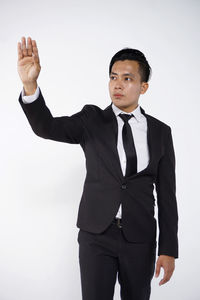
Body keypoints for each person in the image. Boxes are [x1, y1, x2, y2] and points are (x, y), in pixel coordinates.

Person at [17, 36, 179, 300]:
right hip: (96, 236)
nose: (118, 84)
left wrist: (168, 248)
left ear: (143, 86)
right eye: (113, 77)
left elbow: (167, 195)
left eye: (127, 78)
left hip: (140, 239)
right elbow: (45, 127)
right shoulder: (92, 119)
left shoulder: (161, 132)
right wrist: (29, 84)